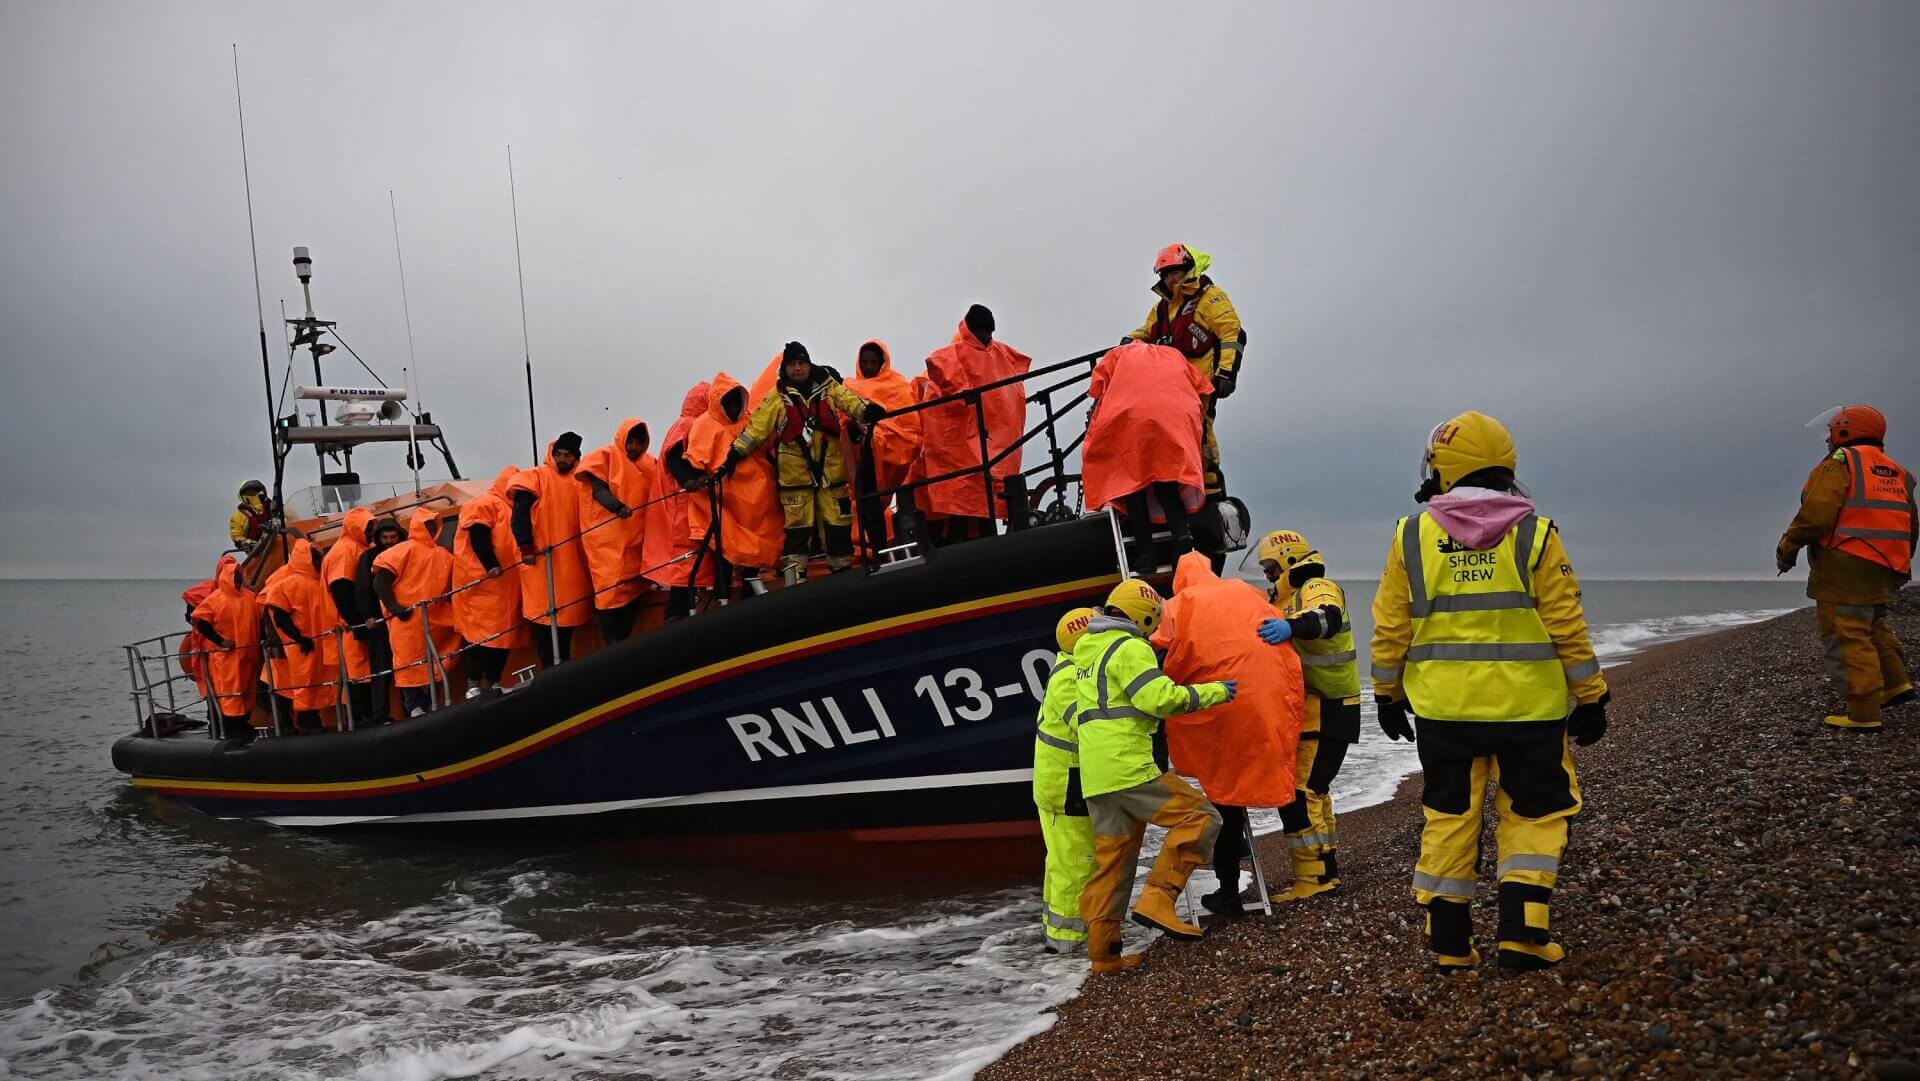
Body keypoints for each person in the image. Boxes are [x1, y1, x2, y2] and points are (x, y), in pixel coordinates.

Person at [1370, 410, 1608, 972]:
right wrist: (1591, 694)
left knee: (1450, 813)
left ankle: (1450, 942)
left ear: (1442, 468)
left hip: (1444, 711)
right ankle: (1523, 934)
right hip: (1530, 710)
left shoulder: (1411, 536)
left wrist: (1384, 693)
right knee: (1534, 812)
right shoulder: (1536, 534)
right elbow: (1567, 624)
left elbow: (1390, 627)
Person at [1075, 579, 1236, 973]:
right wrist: (1215, 691)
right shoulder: (1130, 647)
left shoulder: (1086, 651)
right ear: (1144, 615)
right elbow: (1158, 699)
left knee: (1112, 863)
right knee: (1200, 818)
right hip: (1129, 767)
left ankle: (1104, 955)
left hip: (1097, 777)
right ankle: (1159, 899)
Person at [1152, 551, 1303, 920]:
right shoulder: (1245, 591)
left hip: (1221, 707)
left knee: (1225, 799)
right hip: (1261, 703)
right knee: (1263, 774)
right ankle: (1313, 867)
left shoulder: (1178, 603)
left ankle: (1229, 893)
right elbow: (1277, 627)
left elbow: (1158, 647)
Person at [1777, 404, 1915, 730]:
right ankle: (1896, 685)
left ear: (1844, 431)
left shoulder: (1841, 464)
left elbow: (1816, 515)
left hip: (1845, 565)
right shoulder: (1898, 472)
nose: (1827, 438)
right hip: (1888, 564)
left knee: (1847, 634)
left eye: (1832, 431)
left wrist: (1787, 547)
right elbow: (1912, 525)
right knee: (1873, 626)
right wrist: (1897, 563)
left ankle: (1863, 712)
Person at [1253, 528, 1363, 902]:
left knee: (1302, 792)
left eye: (1271, 566)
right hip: (1320, 708)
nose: (1268, 574)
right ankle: (1324, 868)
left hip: (1333, 706)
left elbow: (1325, 618)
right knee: (1315, 790)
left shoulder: (1315, 586)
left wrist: (1289, 627)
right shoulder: (1286, 599)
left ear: (1287, 559)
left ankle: (1314, 877)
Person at [726, 342, 884, 584]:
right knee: (798, 527)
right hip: (795, 476)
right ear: (785, 368)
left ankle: (843, 574)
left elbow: (850, 401)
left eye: (801, 363)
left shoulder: (828, 387)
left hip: (830, 473)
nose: (798, 369)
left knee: (838, 522)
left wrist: (868, 411)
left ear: (809, 365)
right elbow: (756, 429)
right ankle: (795, 580)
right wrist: (735, 453)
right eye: (793, 365)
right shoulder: (776, 397)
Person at [1124, 244, 1245, 527]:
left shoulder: (1210, 299)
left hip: (1199, 387)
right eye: (1165, 275)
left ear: (1188, 269)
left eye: (1175, 272)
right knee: (1169, 445)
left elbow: (1231, 332)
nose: (1170, 279)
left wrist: (1226, 373)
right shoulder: (1163, 308)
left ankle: (1212, 499)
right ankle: (1176, 505)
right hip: (1168, 393)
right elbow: (1147, 331)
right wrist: (1129, 342)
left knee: (1201, 439)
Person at [1082, 341, 1210, 573]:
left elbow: (1097, 386)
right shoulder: (1176, 355)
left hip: (1131, 419)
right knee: (1167, 484)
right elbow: (1203, 385)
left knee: (1133, 489)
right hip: (1174, 418)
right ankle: (1183, 536)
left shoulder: (1118, 355)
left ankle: (1146, 554)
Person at [918, 305, 1033, 544]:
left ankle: (986, 545)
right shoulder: (956, 353)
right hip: (965, 445)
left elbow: (1021, 366)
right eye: (981, 332)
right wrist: (962, 391)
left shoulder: (1000, 353)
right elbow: (937, 363)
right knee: (965, 500)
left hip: (990, 442)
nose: (986, 338)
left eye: (989, 333)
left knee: (982, 499)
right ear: (971, 330)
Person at [677, 372, 784, 601]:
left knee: (763, 542)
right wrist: (696, 481)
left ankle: (749, 588)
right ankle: (723, 596)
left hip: (759, 499)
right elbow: (694, 462)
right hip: (724, 501)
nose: (734, 409)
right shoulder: (704, 426)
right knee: (725, 545)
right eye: (730, 404)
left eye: (738, 404)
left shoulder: (750, 419)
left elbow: (767, 445)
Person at [1035, 606, 1097, 955]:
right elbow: (1089, 723)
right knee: (1076, 863)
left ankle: (1056, 934)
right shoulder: (1071, 679)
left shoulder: (1069, 671)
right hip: (1066, 786)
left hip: (1061, 782)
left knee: (1062, 861)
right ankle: (1069, 944)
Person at [510, 433, 595, 668]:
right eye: (558, 454)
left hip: (574, 568)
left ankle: (563, 665)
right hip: (541, 567)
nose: (562, 459)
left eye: (567, 455)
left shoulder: (581, 481)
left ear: (575, 458)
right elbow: (519, 515)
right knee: (544, 621)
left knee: (569, 619)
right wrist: (525, 546)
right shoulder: (534, 478)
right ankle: (551, 670)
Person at [374, 507, 460, 717]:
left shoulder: (443, 555)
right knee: (408, 664)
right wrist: (395, 609)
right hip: (407, 621)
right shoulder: (402, 550)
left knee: (433, 662)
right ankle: (414, 707)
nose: (430, 529)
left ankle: (430, 704)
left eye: (433, 525)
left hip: (435, 621)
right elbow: (380, 581)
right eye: (427, 525)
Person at [576, 419, 656, 641]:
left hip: (636, 542)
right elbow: (598, 491)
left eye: (639, 443)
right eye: (630, 442)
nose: (634, 447)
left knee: (634, 590)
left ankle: (621, 643)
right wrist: (618, 507)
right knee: (609, 592)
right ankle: (613, 645)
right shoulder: (606, 456)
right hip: (607, 544)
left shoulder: (648, 464)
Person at [843, 339, 923, 553]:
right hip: (860, 458)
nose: (869, 366)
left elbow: (910, 429)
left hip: (884, 454)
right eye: (865, 361)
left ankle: (878, 549)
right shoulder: (849, 387)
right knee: (866, 502)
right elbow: (841, 418)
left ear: (882, 362)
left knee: (872, 502)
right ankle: (874, 549)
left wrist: (876, 434)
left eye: (873, 362)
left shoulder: (898, 385)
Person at [454, 467, 529, 695]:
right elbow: (478, 534)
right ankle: (473, 683)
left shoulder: (513, 508)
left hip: (507, 585)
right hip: (483, 584)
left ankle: (493, 681)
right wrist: (491, 565)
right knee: (480, 635)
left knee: (503, 635)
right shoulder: (484, 503)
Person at [644, 383, 716, 620]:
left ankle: (686, 608)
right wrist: (690, 481)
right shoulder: (687, 425)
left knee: (692, 559)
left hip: (689, 503)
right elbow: (674, 458)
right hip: (683, 505)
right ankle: (677, 613)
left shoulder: (688, 425)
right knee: (686, 560)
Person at [258, 537, 334, 734]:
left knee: (307, 683)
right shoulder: (286, 579)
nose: (318, 563)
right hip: (287, 646)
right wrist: (293, 638)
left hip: (310, 643)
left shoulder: (316, 580)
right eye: (315, 559)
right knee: (285, 686)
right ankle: (290, 723)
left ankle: (307, 720)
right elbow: (273, 609)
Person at [189, 553, 261, 741]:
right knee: (229, 694)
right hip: (226, 658)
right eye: (234, 573)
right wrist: (221, 642)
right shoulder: (216, 599)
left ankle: (243, 725)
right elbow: (199, 619)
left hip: (248, 655)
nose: (237, 576)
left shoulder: (250, 597)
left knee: (245, 692)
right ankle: (230, 730)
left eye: (239, 572)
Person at [322, 507, 378, 726]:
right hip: (348, 628)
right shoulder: (344, 551)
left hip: (360, 624)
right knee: (357, 674)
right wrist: (357, 624)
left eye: (373, 527)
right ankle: (361, 719)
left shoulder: (360, 547)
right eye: (369, 527)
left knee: (365, 672)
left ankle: (369, 716)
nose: (372, 531)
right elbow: (341, 591)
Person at [354, 516, 405, 723]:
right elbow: (363, 589)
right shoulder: (368, 557)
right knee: (381, 669)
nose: (390, 541)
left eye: (393, 537)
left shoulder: (406, 551)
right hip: (380, 622)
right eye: (385, 537)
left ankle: (412, 707)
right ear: (378, 538)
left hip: (403, 618)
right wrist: (368, 617)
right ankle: (379, 714)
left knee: (408, 665)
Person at [229, 480, 272, 550]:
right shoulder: (238, 516)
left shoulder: (274, 507)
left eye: (255, 490)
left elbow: (292, 518)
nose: (251, 493)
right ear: (242, 495)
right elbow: (237, 537)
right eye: (248, 491)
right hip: (258, 554)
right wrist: (250, 544)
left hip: (282, 544)